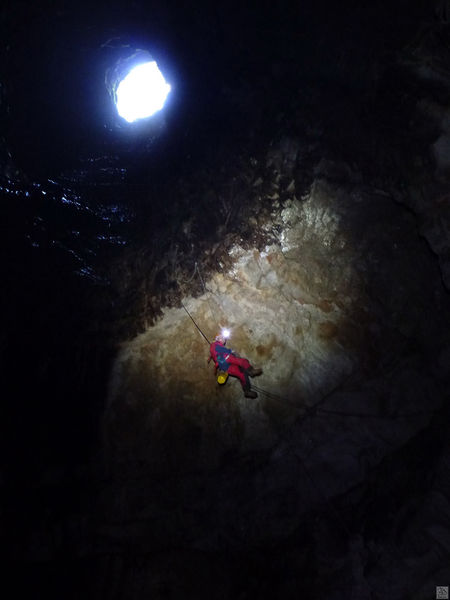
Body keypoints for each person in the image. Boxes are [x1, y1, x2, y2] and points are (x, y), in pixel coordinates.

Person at [208, 334, 262, 398]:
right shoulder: (215, 344)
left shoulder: (213, 348)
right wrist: (231, 351)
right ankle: (251, 371)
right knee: (243, 361)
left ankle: (247, 391)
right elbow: (221, 350)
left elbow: (214, 355)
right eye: (222, 338)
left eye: (224, 339)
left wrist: (209, 359)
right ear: (218, 339)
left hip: (224, 367)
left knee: (241, 374)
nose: (224, 340)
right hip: (226, 358)